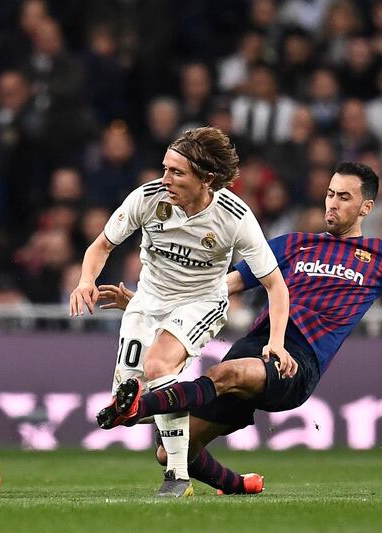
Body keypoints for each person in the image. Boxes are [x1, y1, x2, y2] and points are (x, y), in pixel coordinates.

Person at [97, 161, 382, 495]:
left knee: (222, 376)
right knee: (171, 452)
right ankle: (242, 485)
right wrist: (140, 300)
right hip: (257, 344)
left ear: (366, 206)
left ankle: (135, 407)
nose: (332, 203)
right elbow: (215, 289)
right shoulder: (292, 243)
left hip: (298, 360)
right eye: (329, 194)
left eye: (344, 197)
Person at [70, 126, 296, 497]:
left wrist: (276, 342)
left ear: (206, 179)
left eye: (176, 172)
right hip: (148, 300)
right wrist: (85, 281)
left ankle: (177, 477)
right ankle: (224, 474)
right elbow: (100, 246)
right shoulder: (147, 199)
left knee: (158, 368)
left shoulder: (234, 216)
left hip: (202, 302)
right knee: (128, 405)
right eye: (165, 168)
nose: (165, 179)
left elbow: (275, 285)